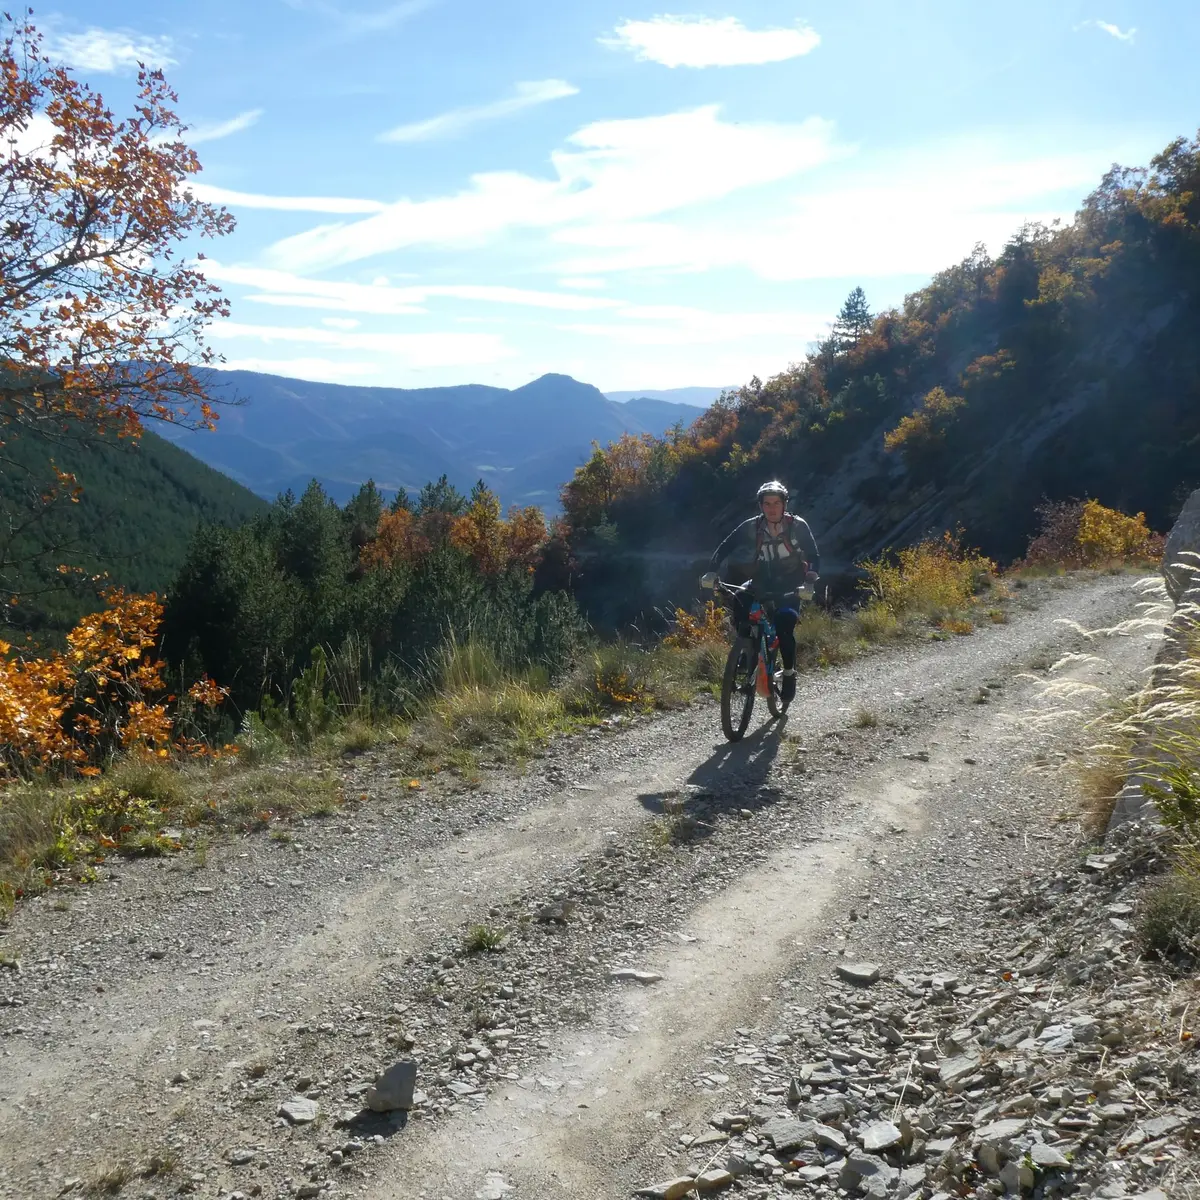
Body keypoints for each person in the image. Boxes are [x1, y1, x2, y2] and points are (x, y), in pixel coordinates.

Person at [709, 481, 820, 709]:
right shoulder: (753, 526)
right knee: (740, 599)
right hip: (762, 579)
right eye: (767, 504)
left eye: (776, 503)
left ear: (784, 505)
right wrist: (712, 570)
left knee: (784, 624)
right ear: (761, 505)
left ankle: (788, 673)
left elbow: (813, 555)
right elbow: (726, 545)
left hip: (791, 582)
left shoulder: (797, 526)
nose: (771, 508)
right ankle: (746, 648)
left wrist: (809, 580)